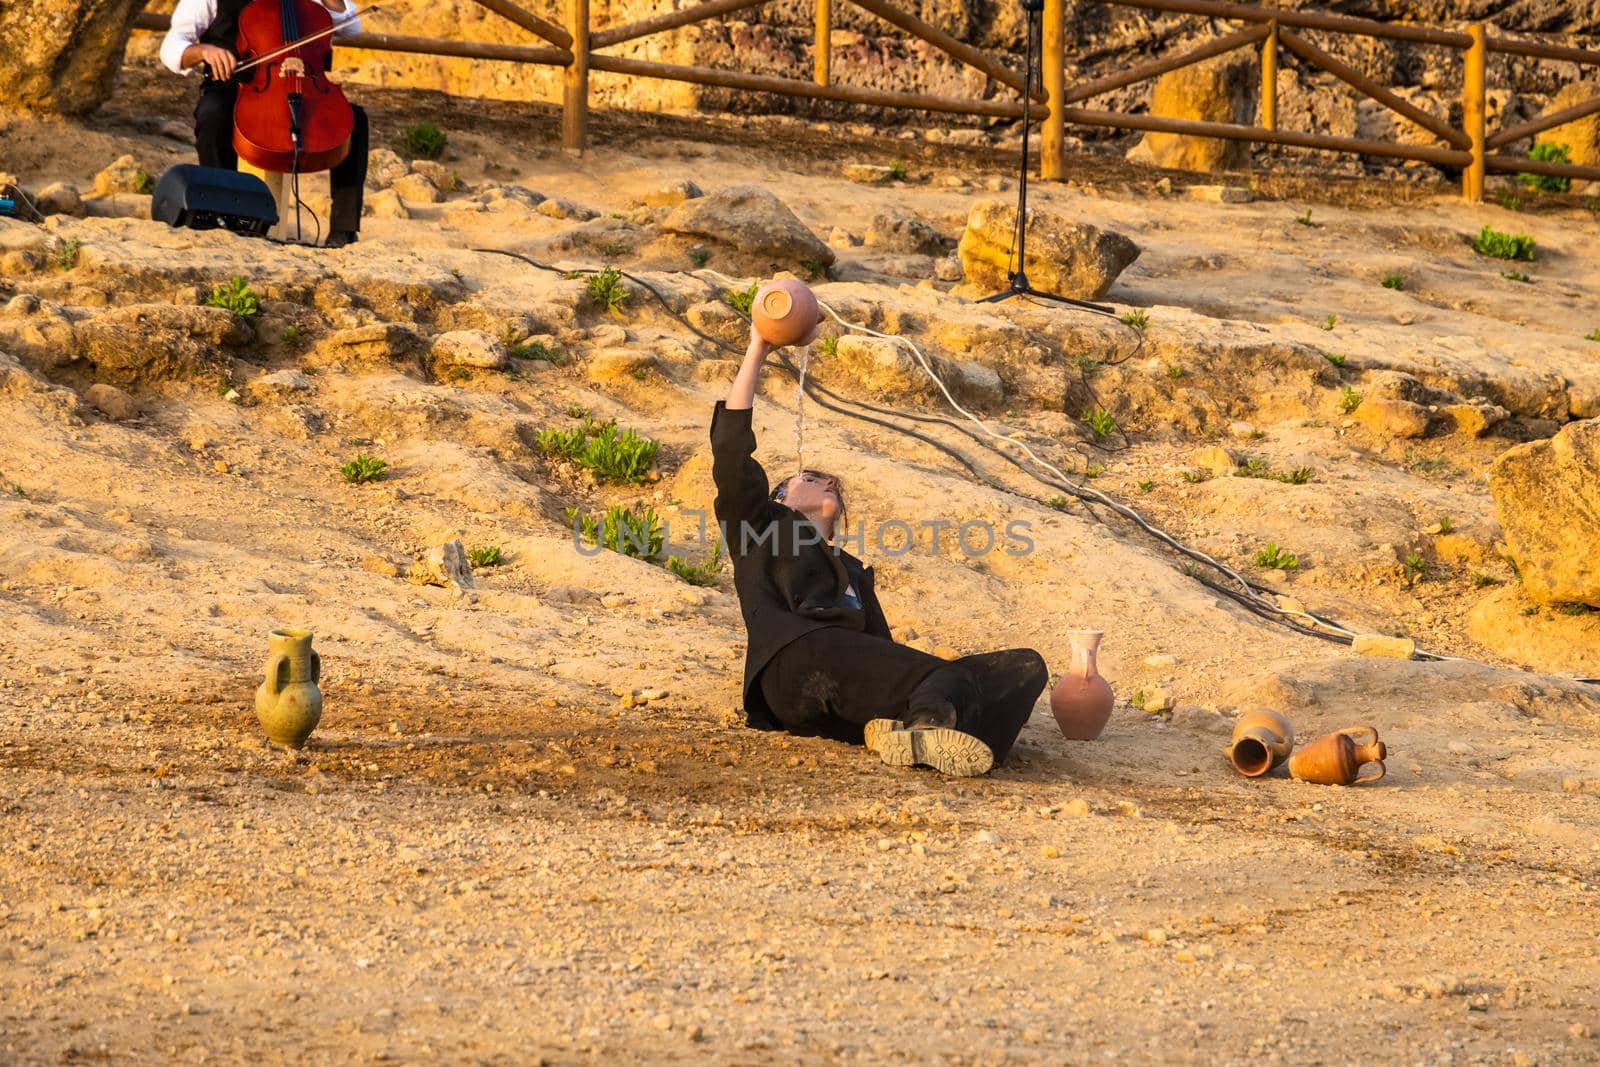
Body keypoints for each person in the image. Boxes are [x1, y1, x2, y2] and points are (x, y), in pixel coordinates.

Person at [710, 324, 1049, 777]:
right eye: (810, 479)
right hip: (793, 661)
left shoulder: (851, 572)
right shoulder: (759, 525)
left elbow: (879, 652)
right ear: (778, 499)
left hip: (839, 691)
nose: (829, 482)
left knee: (1022, 667)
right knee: (942, 679)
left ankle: (927, 734)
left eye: (832, 483)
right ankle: (928, 729)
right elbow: (731, 451)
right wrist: (758, 345)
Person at [160, 0, 369, 248]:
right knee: (212, 116)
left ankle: (343, 230)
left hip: (300, 83)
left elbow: (351, 26)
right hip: (232, 87)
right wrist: (204, 51)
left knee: (353, 119)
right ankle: (223, 214)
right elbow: (172, 47)